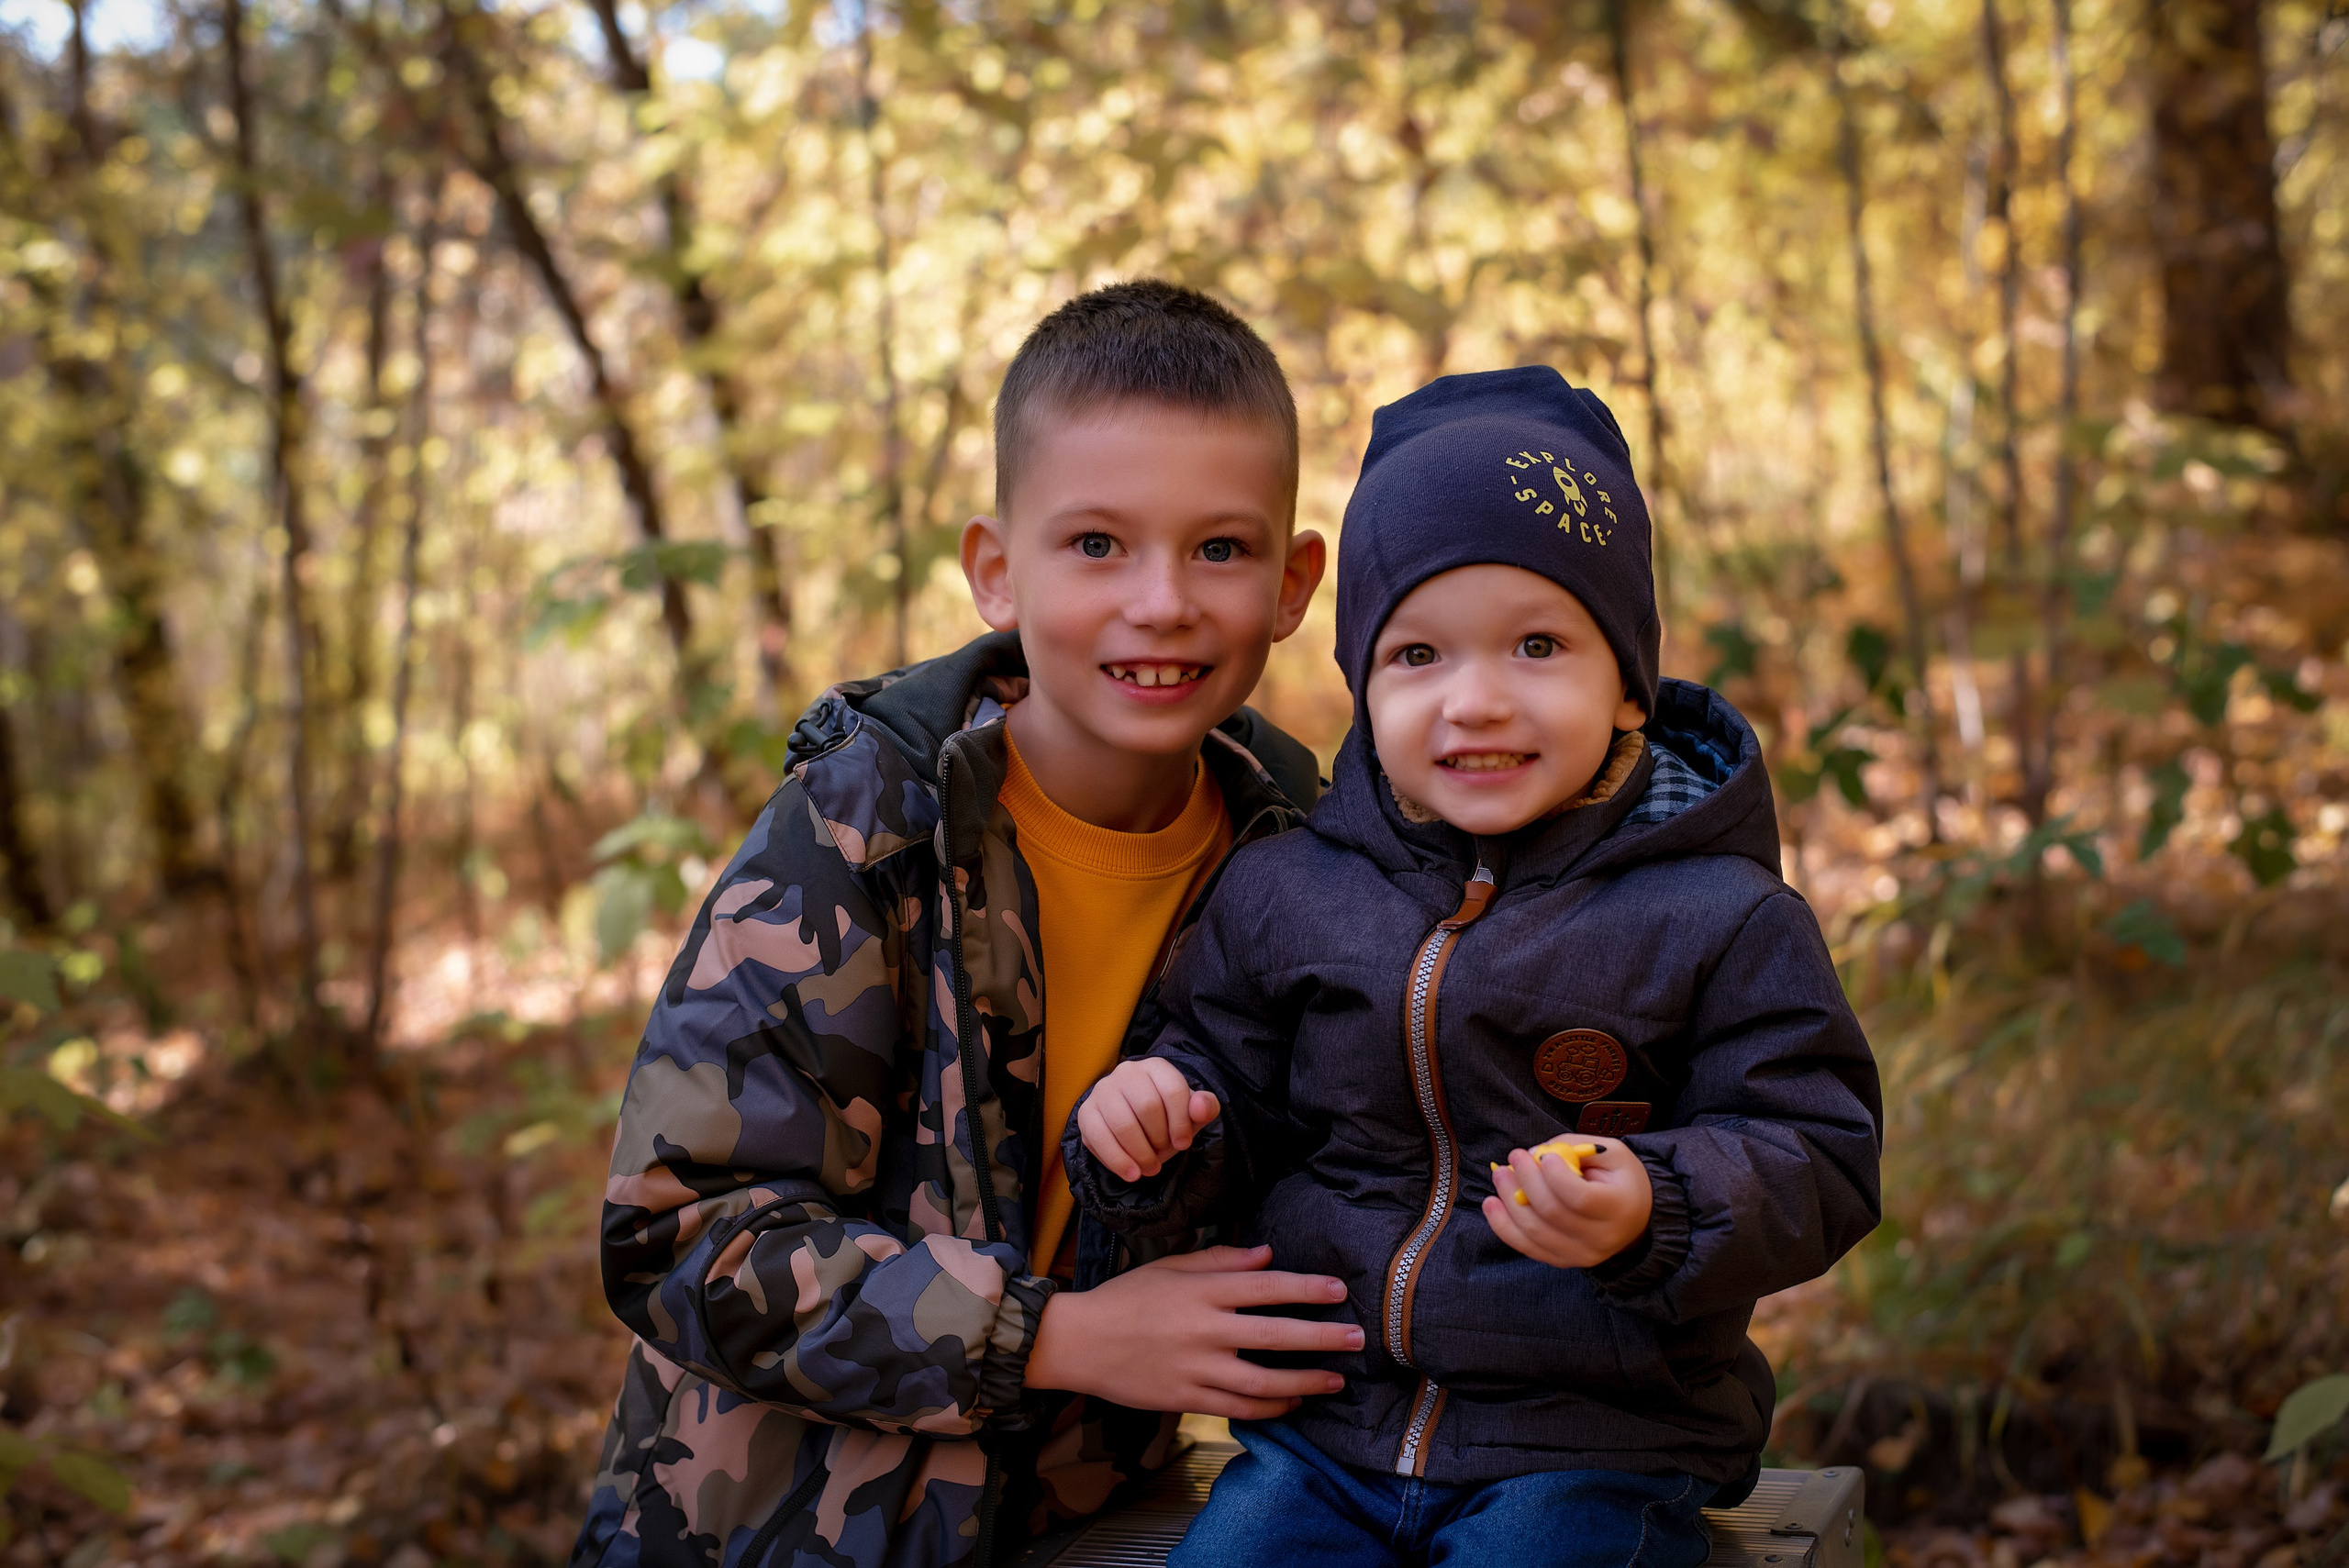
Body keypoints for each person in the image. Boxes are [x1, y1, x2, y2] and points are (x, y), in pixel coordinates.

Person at [570, 281, 1362, 1568]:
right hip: (767, 1533)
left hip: (1074, 1522)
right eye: (1096, 544)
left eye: (1220, 548)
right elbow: (681, 1236)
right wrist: (1058, 1335)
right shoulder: (866, 827)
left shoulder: (1304, 862)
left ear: (1292, 580)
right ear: (997, 569)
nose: (1160, 601)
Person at [1065, 366, 1885, 1568]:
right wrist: (1156, 1126)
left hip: (1590, 1439)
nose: (1478, 699)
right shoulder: (1290, 888)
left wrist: (1655, 1198)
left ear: (1626, 687)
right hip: (1329, 1436)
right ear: (1363, 682)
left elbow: (1816, 1146)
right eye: (1419, 656)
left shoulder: (1720, 915)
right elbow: (1223, 1087)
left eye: (1539, 643)